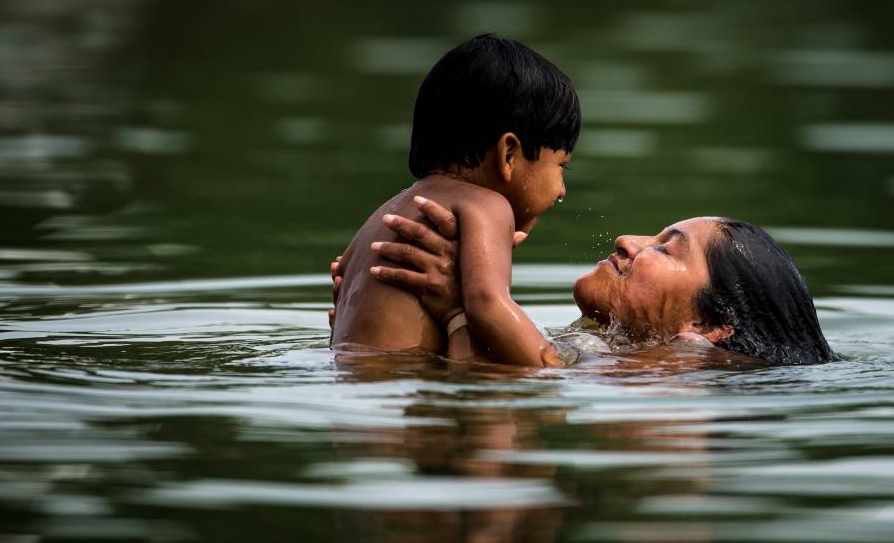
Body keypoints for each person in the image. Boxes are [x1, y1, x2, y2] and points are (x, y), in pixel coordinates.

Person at [330, 34, 580, 367]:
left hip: (351, 388)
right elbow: (487, 304)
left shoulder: (384, 214)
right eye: (561, 166)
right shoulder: (488, 206)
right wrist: (550, 364)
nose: (561, 189)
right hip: (407, 390)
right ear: (508, 154)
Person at [334, 201, 837, 367]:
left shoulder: (669, 382)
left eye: (665, 248)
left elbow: (490, 400)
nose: (626, 240)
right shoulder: (613, 354)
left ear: (705, 325)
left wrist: (458, 311)